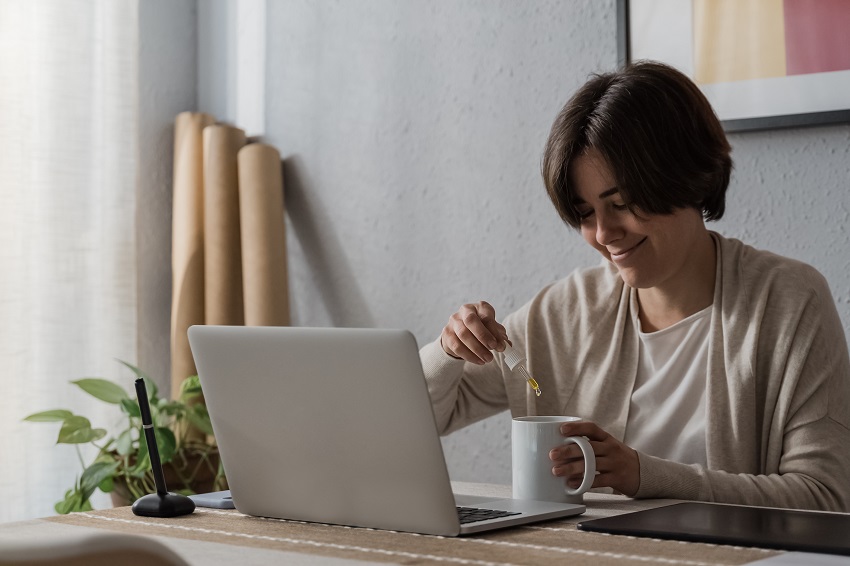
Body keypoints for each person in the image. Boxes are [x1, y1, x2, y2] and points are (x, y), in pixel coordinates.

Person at [419, 60, 850, 512]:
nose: (603, 234)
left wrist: (645, 475)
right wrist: (448, 352)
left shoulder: (789, 302)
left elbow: (824, 497)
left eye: (621, 203)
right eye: (585, 213)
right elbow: (423, 417)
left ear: (686, 175)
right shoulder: (561, 316)